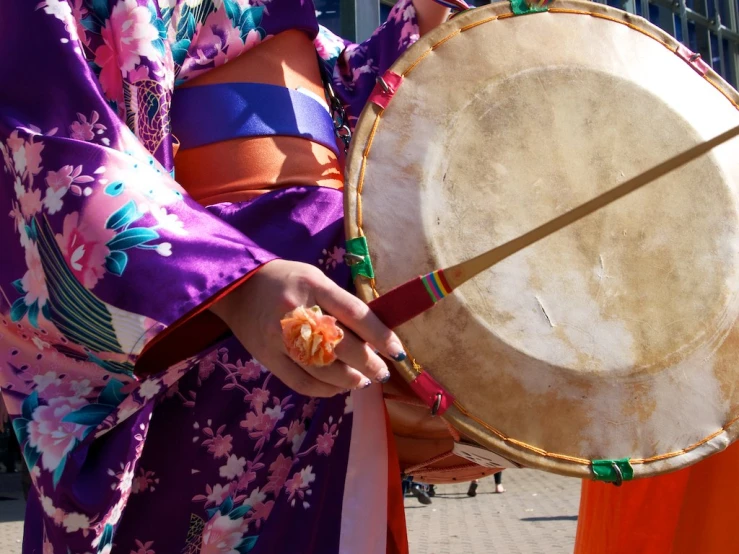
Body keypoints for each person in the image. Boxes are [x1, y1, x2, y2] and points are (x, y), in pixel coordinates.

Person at [0, 1, 451, 553]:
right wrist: (233, 286)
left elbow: (341, 97)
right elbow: (39, 133)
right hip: (198, 341)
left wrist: (429, 30)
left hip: (326, 350)